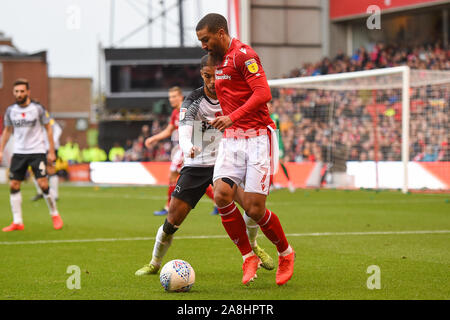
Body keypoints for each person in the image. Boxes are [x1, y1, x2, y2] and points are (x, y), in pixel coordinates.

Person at [135, 55, 274, 276]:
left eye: (217, 75)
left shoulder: (234, 96)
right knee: (173, 219)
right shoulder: (193, 101)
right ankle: (154, 262)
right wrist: (188, 146)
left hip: (228, 162)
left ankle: (254, 247)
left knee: (253, 208)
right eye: (208, 76)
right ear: (202, 75)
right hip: (198, 164)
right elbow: (183, 130)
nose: (212, 81)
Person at [196, 13, 295, 286]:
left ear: (220, 32)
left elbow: (263, 93)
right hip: (231, 139)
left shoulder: (244, 55)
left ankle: (286, 253)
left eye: (206, 39)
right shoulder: (216, 60)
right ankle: (247, 256)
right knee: (222, 195)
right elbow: (224, 93)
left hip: (257, 139)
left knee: (253, 209)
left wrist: (232, 117)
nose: (203, 45)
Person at [0, 79, 63, 232]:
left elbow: (48, 128)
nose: (19, 94)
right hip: (19, 152)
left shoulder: (38, 109)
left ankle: (54, 213)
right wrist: (1, 150)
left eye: (22, 91)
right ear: (13, 93)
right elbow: (7, 131)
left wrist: (52, 151)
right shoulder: (10, 111)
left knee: (43, 184)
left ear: (28, 92)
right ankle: (17, 222)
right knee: (14, 184)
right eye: (16, 91)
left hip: (37, 151)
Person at [145, 86, 216, 215]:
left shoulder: (190, 109)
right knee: (195, 178)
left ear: (181, 97)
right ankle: (217, 204)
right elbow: (169, 130)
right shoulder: (174, 113)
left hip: (192, 147)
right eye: (170, 97)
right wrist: (154, 138)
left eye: (174, 96)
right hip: (181, 148)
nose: (171, 100)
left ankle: (168, 207)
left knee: (178, 175)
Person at [31, 117, 62, 201]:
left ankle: (55, 195)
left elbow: (58, 129)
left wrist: (52, 142)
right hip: (40, 148)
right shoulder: (34, 121)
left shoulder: (47, 119)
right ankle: (40, 192)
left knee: (50, 169)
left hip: (50, 149)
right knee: (36, 169)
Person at [268, 101, 295, 193]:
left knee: (281, 162)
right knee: (270, 164)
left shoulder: (274, 117)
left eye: (269, 107)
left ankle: (290, 182)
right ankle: (271, 184)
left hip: (277, 143)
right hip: (268, 143)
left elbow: (277, 129)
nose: (268, 109)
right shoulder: (264, 117)